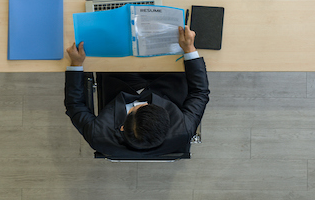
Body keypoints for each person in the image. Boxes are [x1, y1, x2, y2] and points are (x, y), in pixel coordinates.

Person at [64, 26, 210, 158]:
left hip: (119, 79)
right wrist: (189, 49)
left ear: (122, 126)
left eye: (141, 106)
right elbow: (200, 93)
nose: (145, 101)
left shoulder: (98, 135)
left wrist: (76, 64)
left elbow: (74, 104)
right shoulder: (183, 130)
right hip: (169, 82)